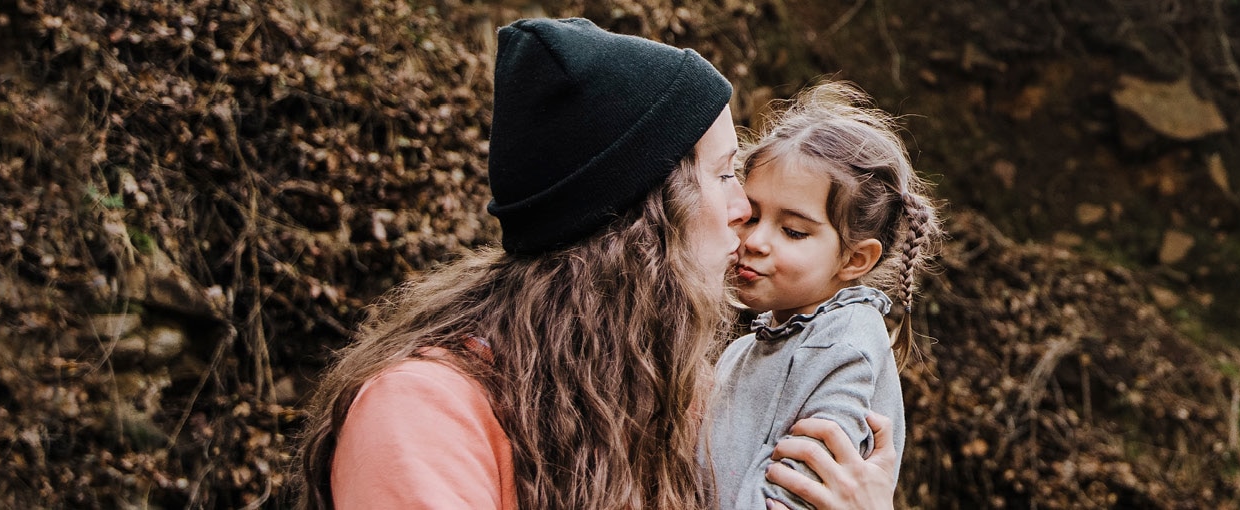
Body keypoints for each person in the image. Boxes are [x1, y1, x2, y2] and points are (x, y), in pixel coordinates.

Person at [293, 18, 893, 510]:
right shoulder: (426, 415)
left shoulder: (674, 397)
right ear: (644, 219)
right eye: (723, 174)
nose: (744, 210)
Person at [710, 82, 942, 510]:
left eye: (793, 231)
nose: (755, 240)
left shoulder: (845, 340)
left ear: (854, 260)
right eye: (752, 215)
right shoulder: (746, 349)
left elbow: (803, 490)